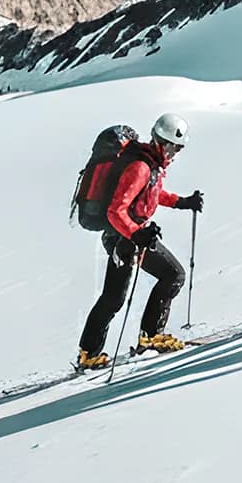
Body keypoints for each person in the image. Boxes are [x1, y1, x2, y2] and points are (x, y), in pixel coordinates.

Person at [76, 114, 204, 368]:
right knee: (156, 281)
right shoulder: (141, 167)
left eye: (178, 148)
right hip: (123, 238)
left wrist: (182, 202)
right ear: (159, 141)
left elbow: (152, 193)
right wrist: (136, 234)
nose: (175, 152)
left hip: (131, 236)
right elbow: (116, 211)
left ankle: (93, 351)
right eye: (172, 146)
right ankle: (141, 339)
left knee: (164, 277)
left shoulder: (151, 165)